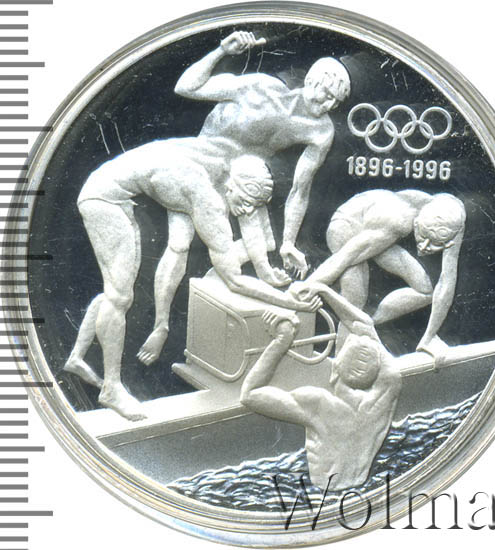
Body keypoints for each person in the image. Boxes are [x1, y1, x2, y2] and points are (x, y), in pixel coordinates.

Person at [137, 30, 351, 365]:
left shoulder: (320, 130)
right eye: (326, 94)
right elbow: (186, 87)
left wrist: (289, 242)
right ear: (311, 81)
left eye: (334, 103)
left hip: (240, 179)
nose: (327, 106)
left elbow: (300, 189)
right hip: (199, 165)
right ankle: (161, 325)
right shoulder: (260, 87)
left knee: (266, 242)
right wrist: (221, 50)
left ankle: (223, 275)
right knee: (179, 244)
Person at [64, 154, 318, 421]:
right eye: (245, 202)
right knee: (120, 296)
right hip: (103, 199)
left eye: (253, 206)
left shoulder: (219, 169)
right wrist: (289, 302)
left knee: (117, 289)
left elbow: (252, 234)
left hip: (113, 190)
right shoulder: (207, 200)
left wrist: (266, 274)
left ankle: (77, 358)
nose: (246, 211)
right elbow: (234, 279)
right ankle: (111, 389)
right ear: (232, 186)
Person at [240, 282, 401, 490]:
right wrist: (324, 291)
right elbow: (364, 325)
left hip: (322, 493)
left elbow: (249, 394)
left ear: (334, 370)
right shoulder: (382, 398)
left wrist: (282, 340)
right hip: (360, 484)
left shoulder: (319, 404)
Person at [295, 190, 466, 356]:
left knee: (425, 290)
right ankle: (341, 361)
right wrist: (308, 285)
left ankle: (369, 321)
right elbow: (345, 257)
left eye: (435, 243)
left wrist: (429, 337)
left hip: (378, 230)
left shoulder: (454, 220)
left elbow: (446, 283)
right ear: (416, 221)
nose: (424, 246)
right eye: (423, 235)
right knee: (354, 302)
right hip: (347, 225)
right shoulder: (399, 219)